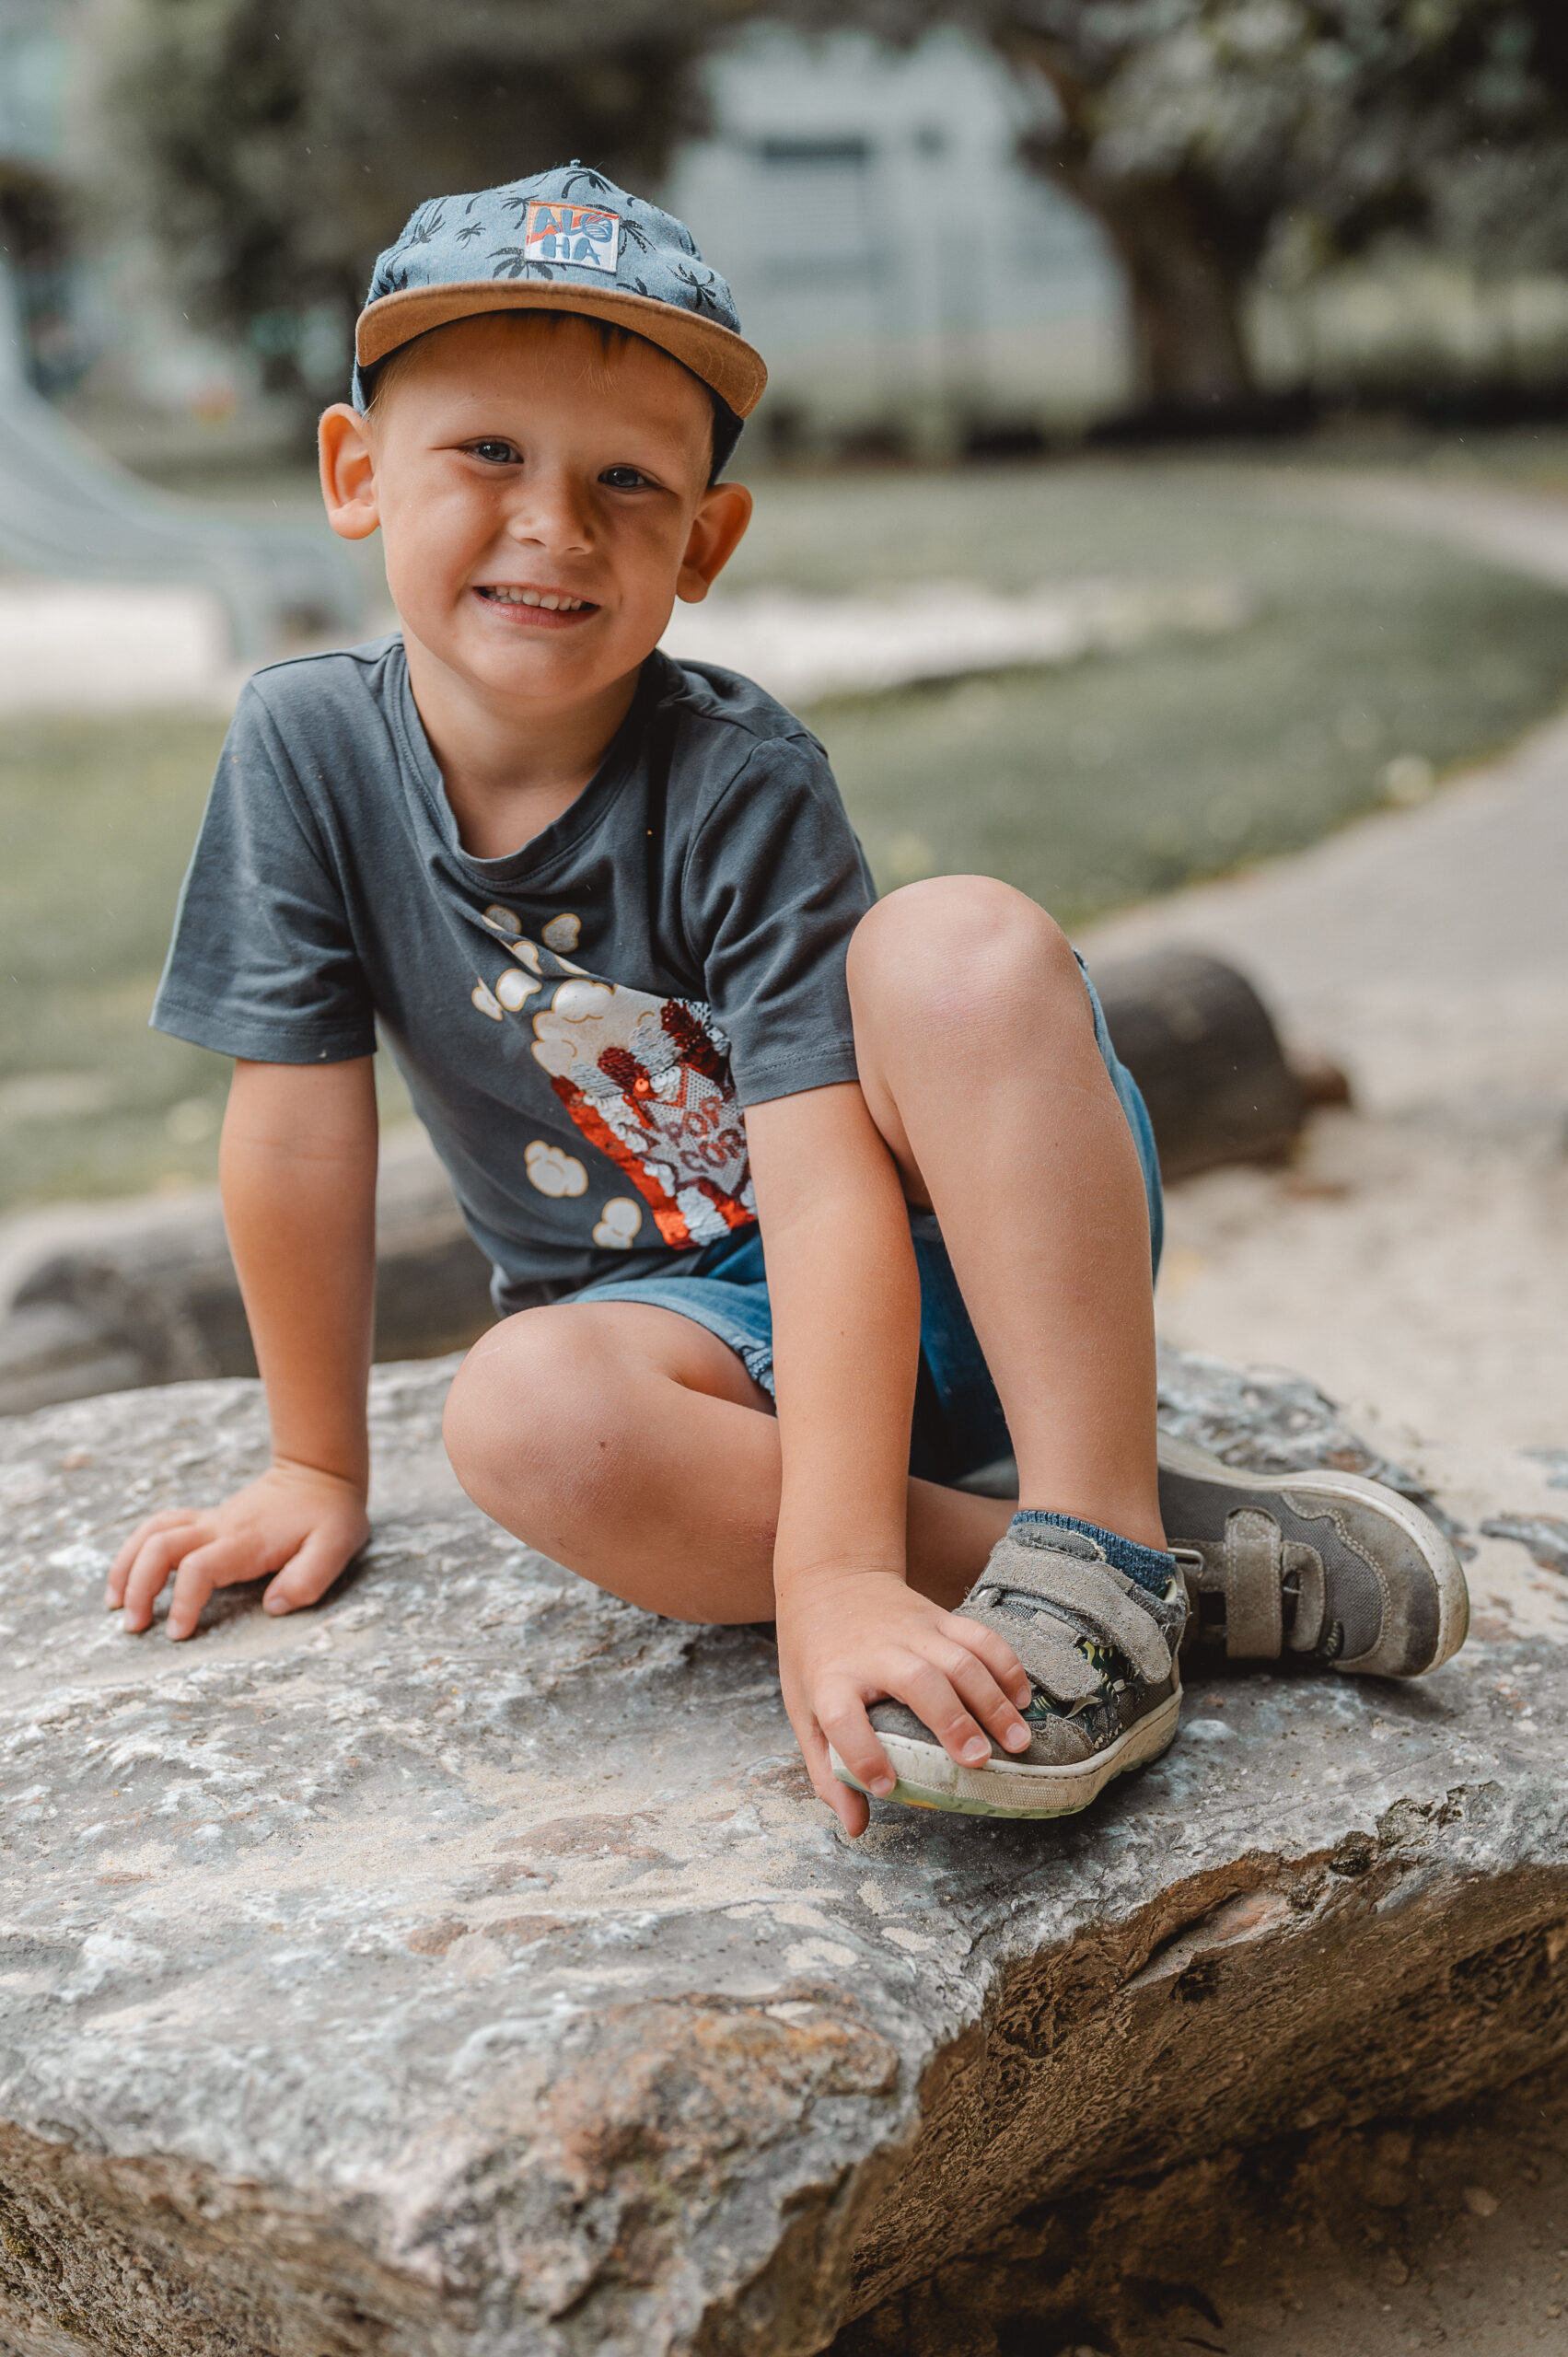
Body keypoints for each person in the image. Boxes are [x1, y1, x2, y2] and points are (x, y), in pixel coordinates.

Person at [107, 167, 1469, 1837]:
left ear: (706, 541)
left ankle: (1096, 1533)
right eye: (488, 454)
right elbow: (298, 1135)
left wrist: (830, 1573)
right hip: (700, 1368)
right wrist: (317, 1468)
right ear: (352, 472)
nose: (554, 522)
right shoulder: (304, 751)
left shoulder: (735, 775)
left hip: (961, 1276)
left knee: (952, 945)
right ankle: (1168, 1572)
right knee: (522, 1412)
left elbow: (827, 1189)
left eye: (627, 478)